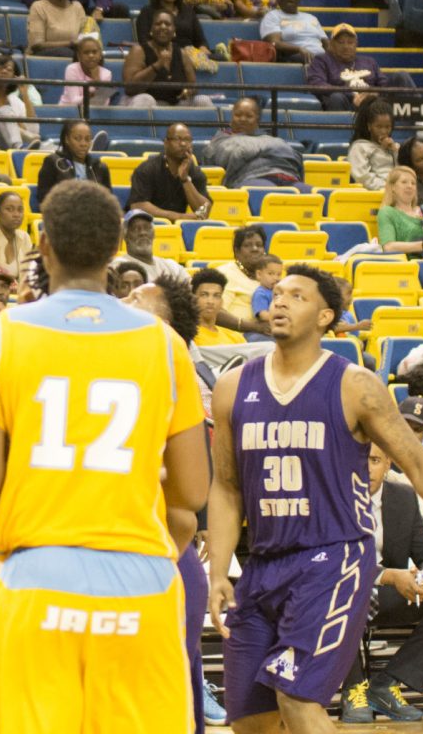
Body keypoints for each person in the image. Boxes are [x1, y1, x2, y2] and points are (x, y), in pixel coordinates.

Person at [0, 179, 210, 733]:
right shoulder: (166, 347)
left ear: (43, 244)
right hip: (144, 581)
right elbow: (193, 492)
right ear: (118, 247)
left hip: (39, 580)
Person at [207, 264, 423, 734]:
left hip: (332, 558)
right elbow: (227, 487)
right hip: (264, 565)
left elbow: (415, 460)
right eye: (279, 292)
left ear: (326, 317)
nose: (281, 301)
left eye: (297, 296)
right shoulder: (232, 388)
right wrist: (219, 571)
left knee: (297, 697)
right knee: (251, 721)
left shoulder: (354, 385)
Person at [121, 272, 230, 729]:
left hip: (163, 551)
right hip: (131, 549)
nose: (122, 299)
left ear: (164, 325)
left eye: (135, 297)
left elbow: (190, 496)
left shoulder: (172, 375)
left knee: (172, 695)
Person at [339, 442, 423, 723]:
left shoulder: (403, 497)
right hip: (343, 593)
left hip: (391, 594)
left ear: (388, 464)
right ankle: (354, 688)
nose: (367, 467)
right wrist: (390, 575)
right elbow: (334, 561)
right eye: (361, 459)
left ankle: (387, 683)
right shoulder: (334, 498)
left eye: (375, 460)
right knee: (343, 592)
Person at [201, 97, 307, 190]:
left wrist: (255, 149)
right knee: (266, 191)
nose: (242, 119)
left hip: (288, 176)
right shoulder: (221, 139)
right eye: (238, 115)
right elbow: (234, 153)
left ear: (257, 121)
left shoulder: (266, 138)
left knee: (316, 194)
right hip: (252, 177)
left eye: (249, 116)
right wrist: (272, 147)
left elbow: (295, 156)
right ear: (231, 117)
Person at [126, 122, 212, 221]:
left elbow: (204, 211)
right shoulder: (147, 169)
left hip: (178, 232)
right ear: (166, 143)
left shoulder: (195, 172)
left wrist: (185, 180)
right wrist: (180, 217)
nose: (183, 144)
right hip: (148, 225)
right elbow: (138, 206)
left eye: (187, 140)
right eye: (177, 139)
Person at [122, 9, 206, 108]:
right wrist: (158, 65)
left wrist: (187, 91)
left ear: (174, 31)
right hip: (146, 102)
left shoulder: (182, 53)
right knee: (145, 99)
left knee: (202, 100)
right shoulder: (139, 51)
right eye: (158, 24)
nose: (163, 27)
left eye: (167, 24)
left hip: (174, 104)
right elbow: (130, 88)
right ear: (151, 30)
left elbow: (192, 85)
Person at [306, 22, 399, 111]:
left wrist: (374, 94)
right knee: (336, 97)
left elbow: (384, 84)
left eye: (350, 42)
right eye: (341, 42)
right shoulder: (322, 60)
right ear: (332, 45)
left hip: (374, 105)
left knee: (400, 76)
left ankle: (411, 122)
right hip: (346, 103)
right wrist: (351, 95)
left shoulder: (369, 61)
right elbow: (316, 83)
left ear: (356, 44)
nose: (346, 46)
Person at [35, 119, 113, 206]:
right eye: (77, 139)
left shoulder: (99, 167)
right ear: (67, 139)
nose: (83, 144)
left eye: (87, 139)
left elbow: (108, 202)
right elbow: (44, 199)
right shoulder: (53, 162)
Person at [113, 207, 190, 284]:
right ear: (126, 237)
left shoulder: (172, 266)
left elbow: (191, 291)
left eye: (147, 228)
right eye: (136, 229)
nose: (142, 233)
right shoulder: (119, 266)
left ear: (153, 234)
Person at [260, 0, 328, 63]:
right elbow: (274, 43)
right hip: (295, 57)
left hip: (320, 58)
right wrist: (298, 49)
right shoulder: (272, 16)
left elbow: (326, 44)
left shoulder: (311, 18)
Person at [136, 0, 208, 49]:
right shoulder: (147, 12)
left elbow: (201, 41)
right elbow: (144, 41)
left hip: (189, 56)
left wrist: (203, 50)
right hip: (161, 54)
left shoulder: (188, 11)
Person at [27, 0, 91, 55]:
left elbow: (83, 40)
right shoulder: (38, 6)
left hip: (72, 55)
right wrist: (70, 44)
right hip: (43, 55)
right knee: (66, 53)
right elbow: (36, 45)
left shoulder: (77, 7)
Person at [347, 96, 398, 189]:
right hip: (374, 195)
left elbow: (404, 173)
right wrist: (388, 188)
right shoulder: (359, 147)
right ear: (369, 126)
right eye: (379, 127)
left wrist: (395, 152)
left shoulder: (395, 147)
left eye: (387, 127)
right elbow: (362, 178)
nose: (384, 131)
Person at [190, 268, 245, 347]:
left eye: (216, 296)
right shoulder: (189, 337)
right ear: (193, 299)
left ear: (221, 301)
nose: (210, 301)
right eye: (204, 295)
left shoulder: (236, 338)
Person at [58, 33, 116, 106]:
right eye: (86, 52)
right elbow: (74, 101)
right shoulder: (72, 69)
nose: (91, 55)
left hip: (93, 113)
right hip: (68, 111)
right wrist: (90, 96)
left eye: (94, 52)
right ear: (79, 56)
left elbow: (104, 104)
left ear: (100, 55)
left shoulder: (107, 74)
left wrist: (97, 82)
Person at [250, 253, 283, 322]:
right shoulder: (260, 294)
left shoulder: (280, 292)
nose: (276, 278)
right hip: (263, 329)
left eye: (279, 274)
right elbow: (263, 315)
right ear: (259, 274)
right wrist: (281, 318)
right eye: (270, 274)